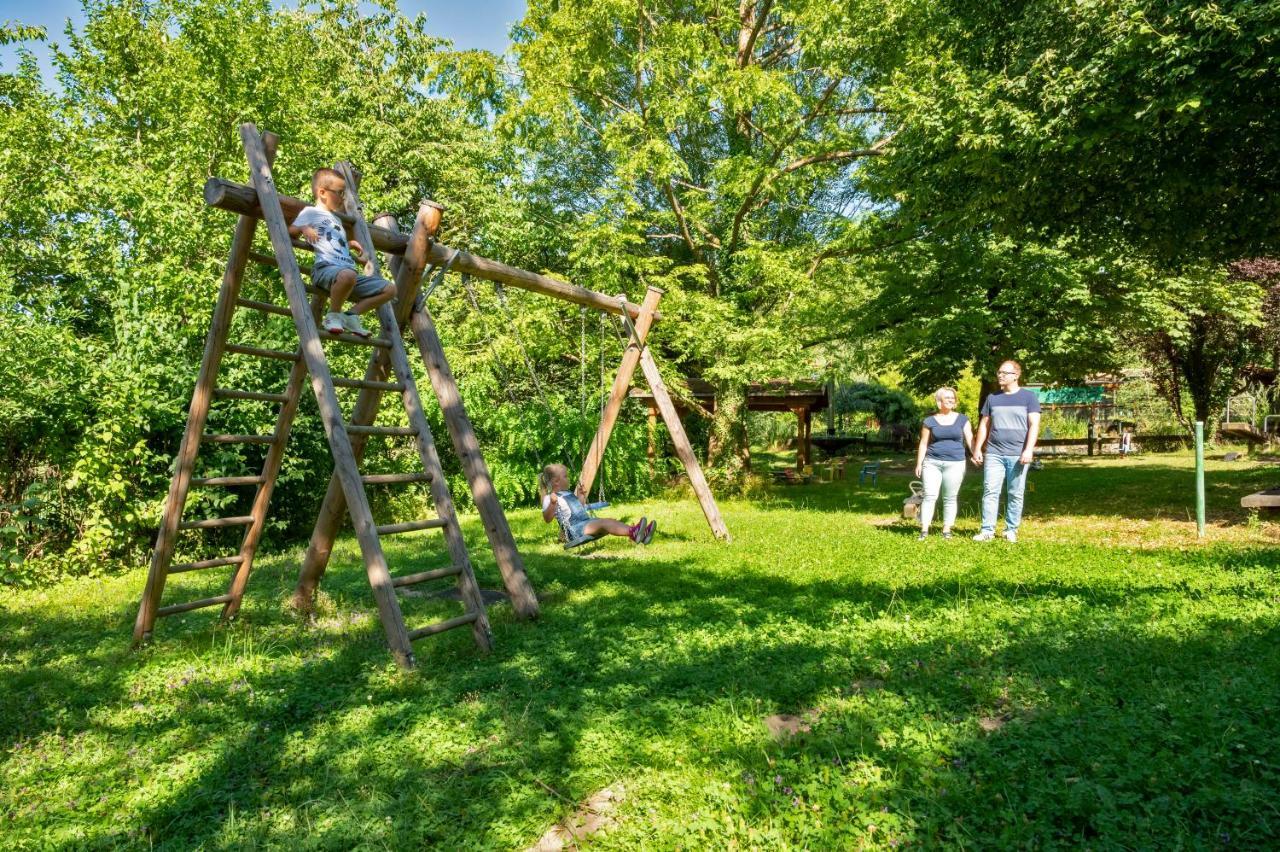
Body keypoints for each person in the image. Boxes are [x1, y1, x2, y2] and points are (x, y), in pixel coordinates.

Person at [288, 168, 396, 338]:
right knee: (348, 275)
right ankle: (333, 315)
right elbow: (291, 231)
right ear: (322, 192)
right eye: (339, 192)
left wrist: (349, 244)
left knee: (390, 289)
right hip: (325, 270)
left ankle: (351, 316)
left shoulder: (336, 219)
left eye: (344, 193)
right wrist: (304, 228)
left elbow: (333, 242)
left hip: (346, 275)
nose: (343, 198)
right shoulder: (310, 212)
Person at [972, 360, 1041, 543]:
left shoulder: (1029, 397)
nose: (1000, 375)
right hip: (994, 452)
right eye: (999, 372)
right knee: (990, 491)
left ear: (1016, 375)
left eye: (1004, 372)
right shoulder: (993, 398)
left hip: (1018, 454)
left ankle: (1011, 530)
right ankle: (987, 530)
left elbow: (1034, 425)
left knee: (1015, 492)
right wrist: (978, 448)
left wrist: (1028, 450)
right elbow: (984, 425)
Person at [538, 463, 655, 545]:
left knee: (610, 521)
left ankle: (641, 534)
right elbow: (547, 519)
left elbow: (579, 508)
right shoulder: (550, 498)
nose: (568, 479)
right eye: (565, 476)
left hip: (584, 523)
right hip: (576, 529)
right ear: (556, 482)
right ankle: (634, 532)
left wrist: (580, 496)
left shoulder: (567, 493)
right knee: (606, 523)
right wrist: (553, 503)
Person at [913, 387, 974, 540]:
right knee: (929, 496)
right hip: (932, 462)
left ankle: (946, 529)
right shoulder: (929, 421)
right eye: (947, 398)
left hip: (956, 463)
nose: (951, 400)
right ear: (939, 401)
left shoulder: (963, 419)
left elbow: (970, 439)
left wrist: (976, 453)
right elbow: (923, 444)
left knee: (950, 497)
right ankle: (924, 529)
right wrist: (919, 463)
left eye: (953, 398)